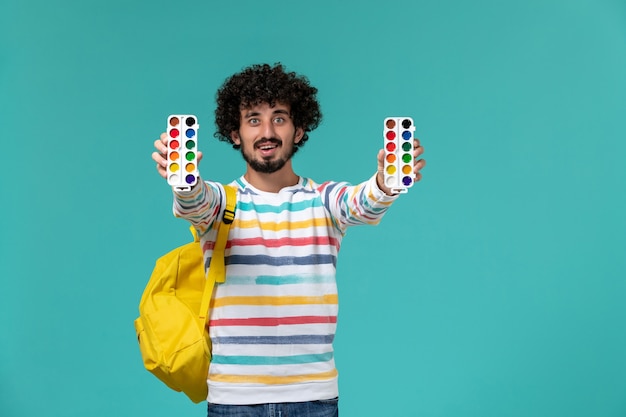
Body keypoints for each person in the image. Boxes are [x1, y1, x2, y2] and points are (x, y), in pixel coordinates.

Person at [152, 63, 426, 417]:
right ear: (235, 133)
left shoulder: (325, 200)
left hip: (314, 397)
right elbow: (196, 202)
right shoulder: (222, 204)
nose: (267, 131)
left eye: (279, 118)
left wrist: (387, 182)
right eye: (253, 119)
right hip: (235, 399)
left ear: (299, 130)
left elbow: (363, 203)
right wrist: (184, 182)